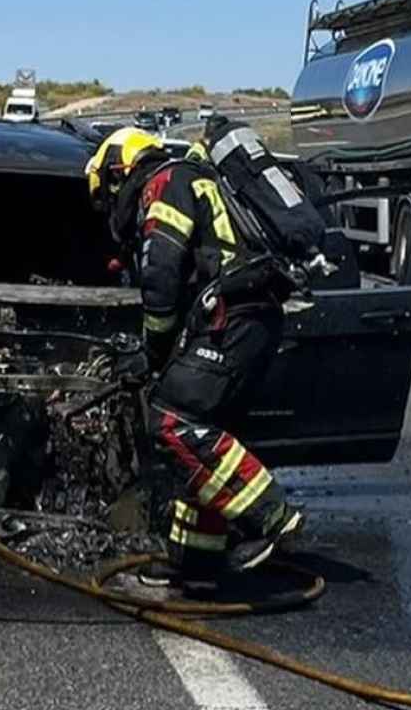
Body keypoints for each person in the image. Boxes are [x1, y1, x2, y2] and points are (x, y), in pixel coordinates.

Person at [85, 127, 305, 587]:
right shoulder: (195, 177)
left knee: (172, 422)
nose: (111, 206)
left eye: (107, 193)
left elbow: (162, 275)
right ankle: (197, 559)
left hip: (232, 317)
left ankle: (272, 517)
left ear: (117, 172)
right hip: (248, 316)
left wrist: (152, 353)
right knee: (205, 433)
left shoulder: (162, 185)